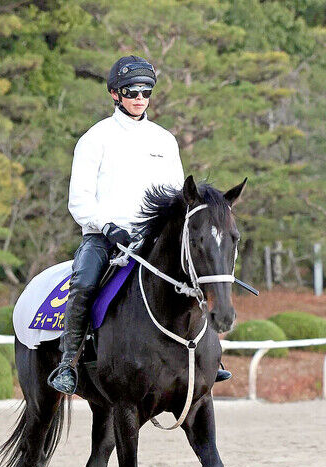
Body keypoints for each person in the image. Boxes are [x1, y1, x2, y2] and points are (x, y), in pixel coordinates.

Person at [48, 55, 231, 395]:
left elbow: (180, 199)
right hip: (107, 238)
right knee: (86, 282)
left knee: (199, 273)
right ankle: (68, 361)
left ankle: (209, 357)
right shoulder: (94, 138)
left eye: (146, 91)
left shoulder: (164, 140)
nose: (139, 98)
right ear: (115, 94)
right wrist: (107, 227)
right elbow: (79, 201)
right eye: (132, 91)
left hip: (155, 240)